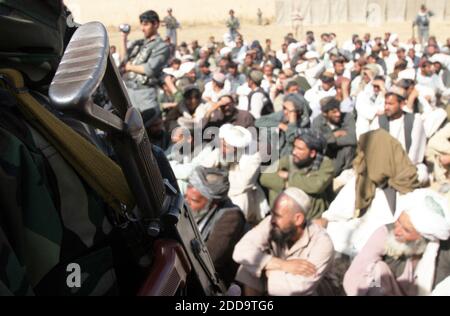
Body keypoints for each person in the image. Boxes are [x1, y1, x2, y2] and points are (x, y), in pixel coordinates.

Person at [0, 1, 177, 296]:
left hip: (142, 103)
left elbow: (145, 68)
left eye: (148, 24)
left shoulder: (40, 101)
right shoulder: (31, 107)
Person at [343, 189, 450, 296]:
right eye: (398, 221)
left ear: (422, 238)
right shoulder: (385, 233)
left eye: (406, 230)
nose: (397, 231)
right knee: (378, 272)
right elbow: (354, 277)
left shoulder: (443, 251)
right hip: (382, 292)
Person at [233, 188, 335, 296]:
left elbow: (299, 288)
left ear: (298, 219)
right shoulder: (272, 224)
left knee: (254, 264)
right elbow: (240, 251)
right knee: (247, 267)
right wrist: (282, 265)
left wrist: (265, 269)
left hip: (310, 292)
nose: (272, 219)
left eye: (278, 215)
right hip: (277, 282)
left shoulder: (322, 243)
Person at [185, 167, 246, 286]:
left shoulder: (231, 218)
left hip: (213, 279)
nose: (186, 202)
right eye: (186, 196)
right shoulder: (188, 204)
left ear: (213, 203)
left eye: (194, 200)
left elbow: (210, 259)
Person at [199, 124, 269, 225]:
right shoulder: (222, 149)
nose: (222, 149)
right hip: (218, 188)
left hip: (240, 193)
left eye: (226, 147)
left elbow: (243, 184)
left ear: (236, 149)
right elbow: (203, 167)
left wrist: (218, 180)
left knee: (240, 198)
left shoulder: (253, 156)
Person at [260, 129, 335, 220]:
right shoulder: (289, 159)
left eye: (300, 149)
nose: (294, 152)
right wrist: (299, 183)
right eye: (294, 147)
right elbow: (265, 177)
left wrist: (288, 178)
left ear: (312, 153)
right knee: (275, 189)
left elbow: (316, 186)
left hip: (312, 216)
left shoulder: (326, 164)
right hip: (284, 214)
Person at [122, 10, 170, 113]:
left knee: (147, 125)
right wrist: (124, 38)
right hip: (129, 90)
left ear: (156, 24)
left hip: (144, 93)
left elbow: (149, 69)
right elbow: (125, 59)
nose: (142, 29)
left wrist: (129, 67)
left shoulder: (162, 46)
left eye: (146, 25)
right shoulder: (139, 43)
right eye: (141, 25)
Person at [312, 97, 356, 176]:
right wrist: (334, 135)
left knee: (349, 148)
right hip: (327, 155)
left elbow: (353, 139)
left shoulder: (347, 117)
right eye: (334, 112)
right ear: (325, 113)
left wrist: (330, 141)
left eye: (339, 110)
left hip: (342, 153)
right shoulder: (317, 122)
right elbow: (317, 142)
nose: (338, 114)